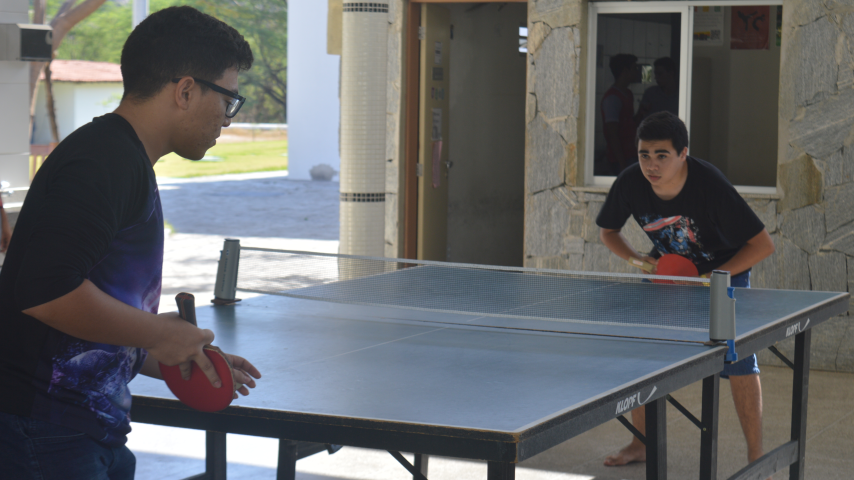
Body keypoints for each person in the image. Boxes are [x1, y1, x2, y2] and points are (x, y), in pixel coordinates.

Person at [0, 7, 260, 479]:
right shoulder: (104, 162)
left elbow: (86, 301)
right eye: (228, 100)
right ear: (185, 91)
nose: (227, 119)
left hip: (84, 428)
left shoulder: (122, 158)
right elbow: (44, 291)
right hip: (45, 431)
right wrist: (157, 333)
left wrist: (162, 352)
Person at [596, 112, 775, 468]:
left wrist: (711, 276)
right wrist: (639, 261)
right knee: (643, 352)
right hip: (669, 271)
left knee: (738, 360)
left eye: (662, 155)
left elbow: (762, 245)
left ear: (683, 154)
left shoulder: (710, 185)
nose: (651, 164)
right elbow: (608, 232)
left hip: (724, 270)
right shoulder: (630, 182)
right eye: (644, 154)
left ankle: (756, 457)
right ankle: (641, 443)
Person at [601, 53, 642, 175]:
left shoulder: (628, 94)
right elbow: (612, 134)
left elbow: (629, 123)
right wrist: (622, 164)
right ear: (625, 71)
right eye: (634, 68)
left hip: (632, 154)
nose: (637, 71)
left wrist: (641, 113)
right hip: (620, 159)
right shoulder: (612, 98)